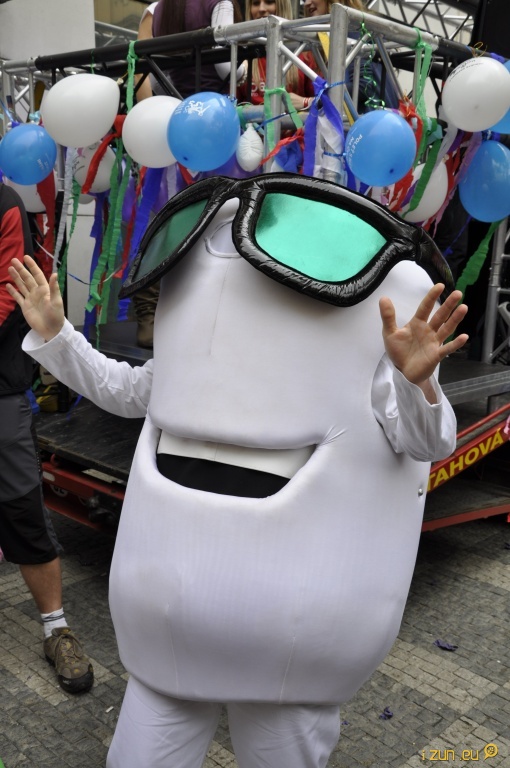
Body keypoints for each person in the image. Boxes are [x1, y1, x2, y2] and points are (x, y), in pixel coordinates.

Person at [8, 174, 468, 767]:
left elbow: (427, 439)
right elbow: (127, 390)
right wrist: (57, 336)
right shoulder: (194, 363)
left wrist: (414, 381)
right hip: (169, 629)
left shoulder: (371, 356)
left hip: (293, 648)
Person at [0, 182, 93, 694]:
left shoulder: (5, 204)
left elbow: (8, 288)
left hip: (0, 391)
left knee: (21, 509)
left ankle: (56, 629)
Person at [131, 0, 245, 348]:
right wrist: (244, 65)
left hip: (173, 126)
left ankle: (150, 316)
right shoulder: (218, 2)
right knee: (222, 226)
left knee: (165, 223)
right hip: (213, 126)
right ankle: (210, 319)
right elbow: (228, 68)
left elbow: (146, 73)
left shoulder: (156, 9)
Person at [237, 0, 314, 110]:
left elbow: (326, 102)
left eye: (269, 2)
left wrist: (304, 102)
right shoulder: (240, 54)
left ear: (283, 6)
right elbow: (230, 106)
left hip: (294, 121)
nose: (261, 9)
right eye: (256, 3)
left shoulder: (304, 53)